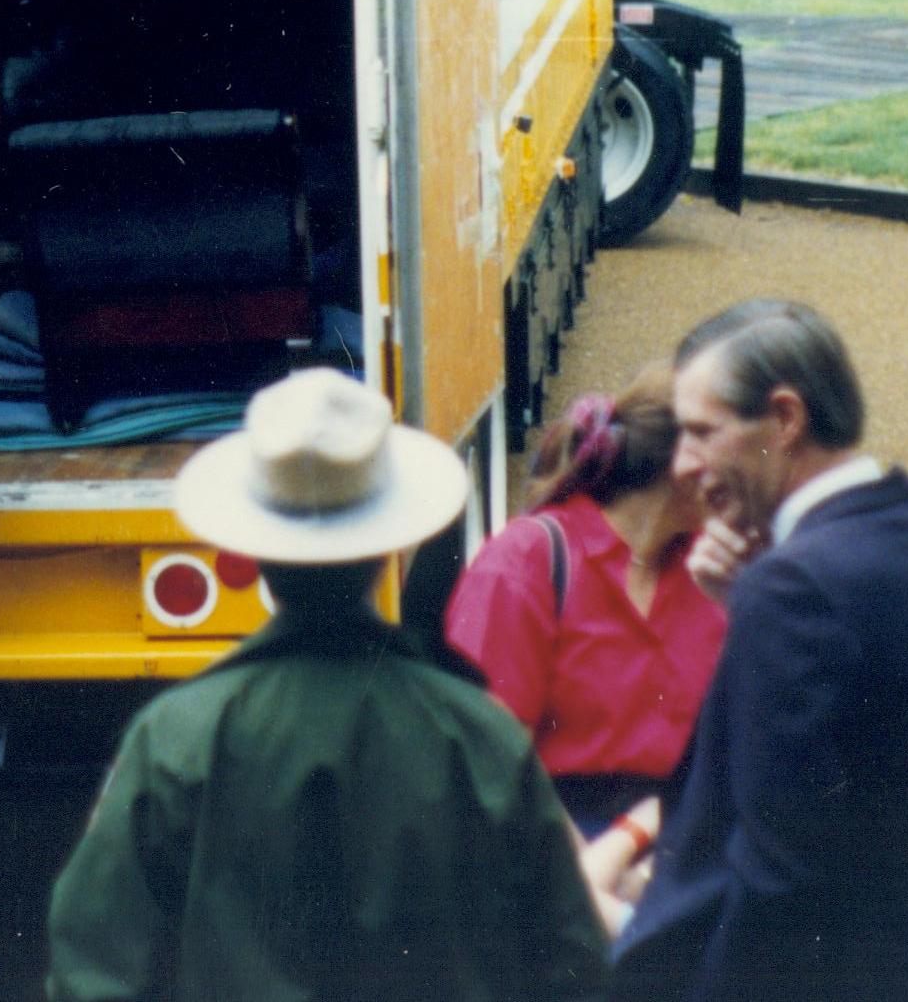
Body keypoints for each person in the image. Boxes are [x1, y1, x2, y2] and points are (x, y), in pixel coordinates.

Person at [44, 367, 609, 1002]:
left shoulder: (177, 736)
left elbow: (97, 968)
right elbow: (570, 960)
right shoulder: (479, 733)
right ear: (386, 548)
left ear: (255, 552)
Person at [608, 298, 908, 1002]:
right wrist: (749, 597)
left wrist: (758, 599)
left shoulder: (789, 589)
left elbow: (775, 878)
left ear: (784, 419)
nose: (682, 463)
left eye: (700, 431)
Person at [443, 371, 725, 836]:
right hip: (545, 845)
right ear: (683, 464)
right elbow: (488, 765)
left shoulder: (713, 570)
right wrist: (593, 876)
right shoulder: (526, 562)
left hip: (673, 846)